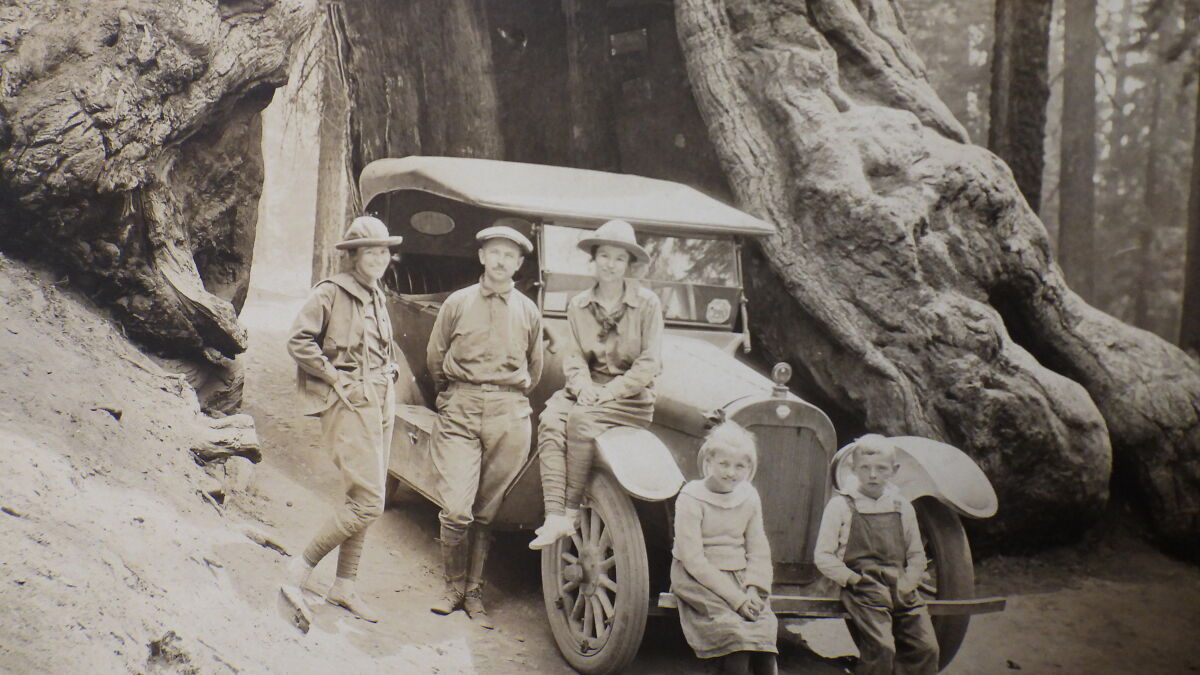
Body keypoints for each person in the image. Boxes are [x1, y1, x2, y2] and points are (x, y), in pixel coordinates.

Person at [282, 215, 405, 624]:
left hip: (381, 400)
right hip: (349, 403)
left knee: (367, 499)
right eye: (371, 251)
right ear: (353, 255)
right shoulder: (331, 292)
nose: (379, 259)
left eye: (384, 251)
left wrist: (390, 374)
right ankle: (299, 568)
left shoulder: (377, 295)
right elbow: (299, 340)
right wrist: (334, 378)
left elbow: (380, 347)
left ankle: (344, 587)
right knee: (369, 502)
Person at [426, 222, 544, 628]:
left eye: (509, 256)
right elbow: (435, 357)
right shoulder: (457, 303)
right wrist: (452, 396)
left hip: (509, 415)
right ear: (481, 257)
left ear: (518, 264)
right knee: (456, 509)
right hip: (461, 406)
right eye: (494, 252)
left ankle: (473, 591)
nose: (501, 260)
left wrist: (507, 399)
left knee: (487, 512)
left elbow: (536, 368)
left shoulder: (528, 311)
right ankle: (452, 586)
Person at [529, 219, 664, 549]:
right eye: (604, 256)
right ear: (594, 258)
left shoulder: (648, 304)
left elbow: (649, 363)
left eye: (620, 259)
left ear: (629, 265)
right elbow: (573, 357)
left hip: (630, 395)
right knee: (549, 420)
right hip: (587, 388)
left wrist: (609, 392)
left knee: (580, 420)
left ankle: (572, 510)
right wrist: (584, 386)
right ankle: (553, 517)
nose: (611, 265)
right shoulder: (578, 304)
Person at [813, 434, 939, 675]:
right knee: (882, 649)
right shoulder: (841, 506)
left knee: (926, 648)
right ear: (853, 468)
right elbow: (823, 556)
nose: (872, 475)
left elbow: (915, 555)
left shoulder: (902, 506)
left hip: (901, 588)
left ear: (894, 470)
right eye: (865, 468)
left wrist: (909, 582)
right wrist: (853, 580)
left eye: (881, 468)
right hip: (865, 591)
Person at [670, 422, 778, 675]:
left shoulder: (749, 496)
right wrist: (736, 599)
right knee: (736, 639)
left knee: (764, 643)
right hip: (699, 578)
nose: (731, 473)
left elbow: (758, 547)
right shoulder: (691, 497)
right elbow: (693, 559)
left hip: (740, 575)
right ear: (709, 460)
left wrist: (754, 588)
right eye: (724, 464)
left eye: (740, 466)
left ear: (750, 467)